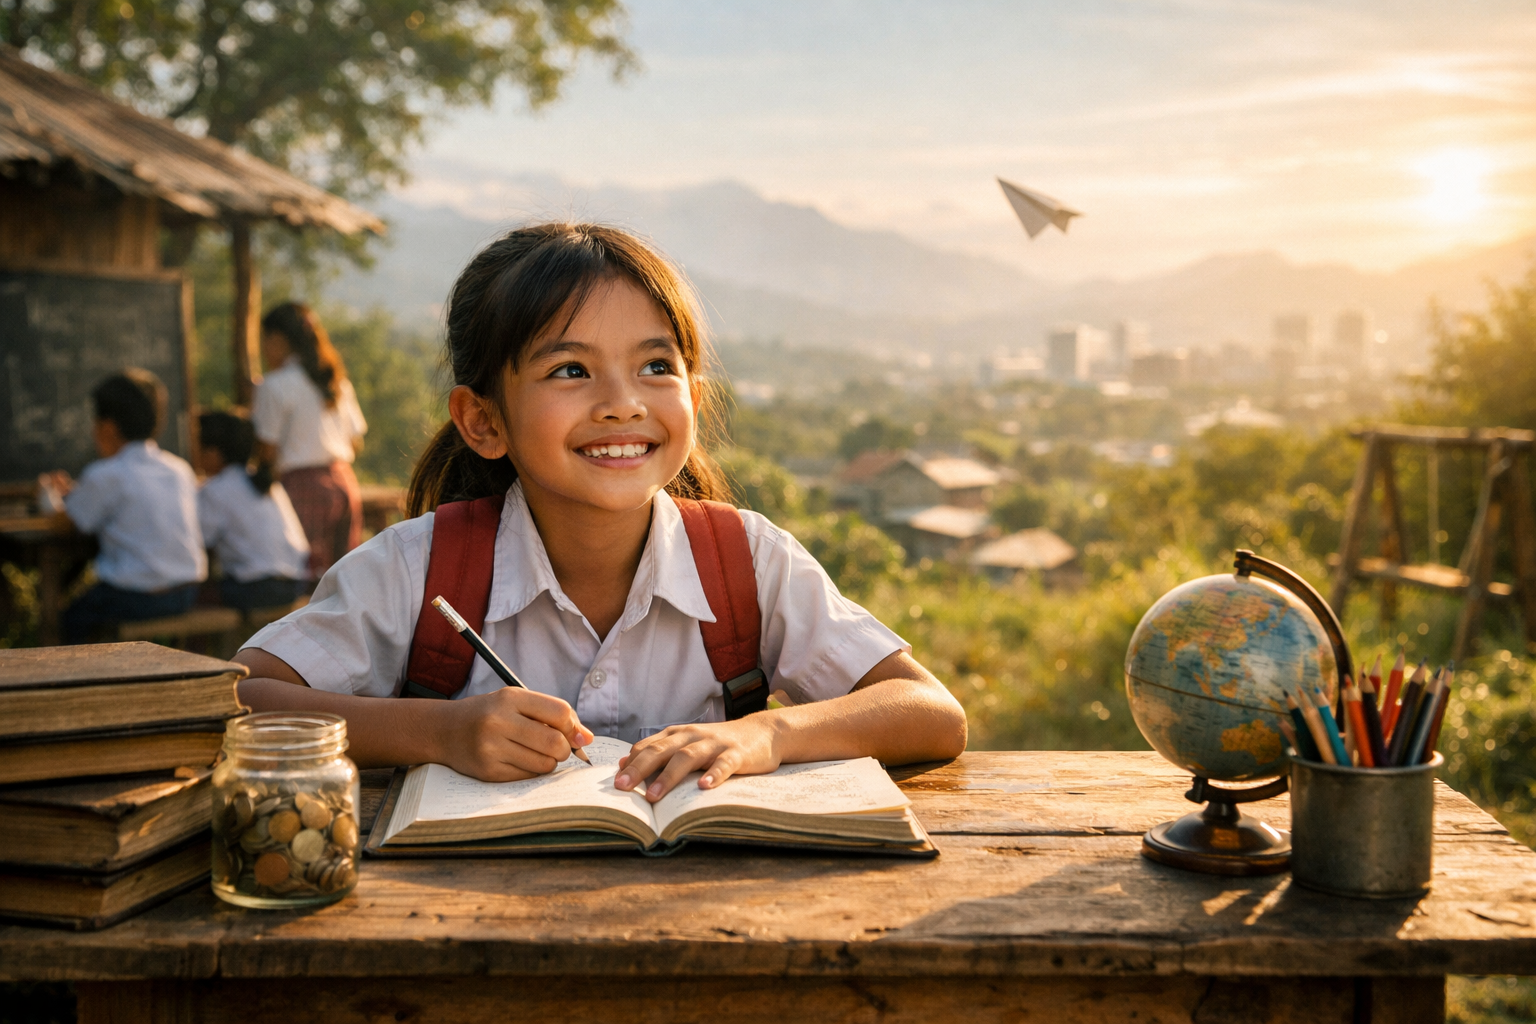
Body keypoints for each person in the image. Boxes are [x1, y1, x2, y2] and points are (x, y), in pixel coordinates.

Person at [233, 223, 966, 800]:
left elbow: (930, 713)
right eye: (570, 370)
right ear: (483, 420)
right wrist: (439, 730)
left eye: (656, 366)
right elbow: (235, 701)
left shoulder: (747, 560)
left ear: (694, 399)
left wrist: (769, 735)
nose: (623, 403)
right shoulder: (418, 569)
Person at [48, 369, 206, 643]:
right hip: (185, 593)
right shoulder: (179, 469)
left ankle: (74, 682)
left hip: (138, 598)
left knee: (68, 619)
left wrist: (48, 495)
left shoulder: (105, 474)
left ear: (107, 428)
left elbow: (64, 524)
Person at [251, 302, 367, 582]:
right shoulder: (335, 382)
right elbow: (356, 444)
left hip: (303, 489)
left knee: (307, 581)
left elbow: (267, 449)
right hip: (345, 483)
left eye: (264, 341)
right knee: (343, 582)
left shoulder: (275, 385)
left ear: (276, 340)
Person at [196, 411, 311, 612]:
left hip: (254, 589)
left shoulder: (215, 490)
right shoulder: (266, 483)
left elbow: (200, 541)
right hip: (294, 584)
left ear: (213, 452)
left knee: (195, 596)